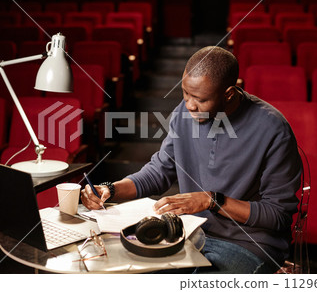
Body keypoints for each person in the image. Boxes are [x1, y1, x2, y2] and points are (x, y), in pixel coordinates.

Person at [81, 46, 302, 274]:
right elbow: (159, 171)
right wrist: (110, 189)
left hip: (249, 244)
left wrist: (212, 201)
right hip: (191, 233)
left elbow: (278, 215)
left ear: (228, 94)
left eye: (200, 99)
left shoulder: (273, 128)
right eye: (185, 93)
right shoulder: (184, 114)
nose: (189, 105)